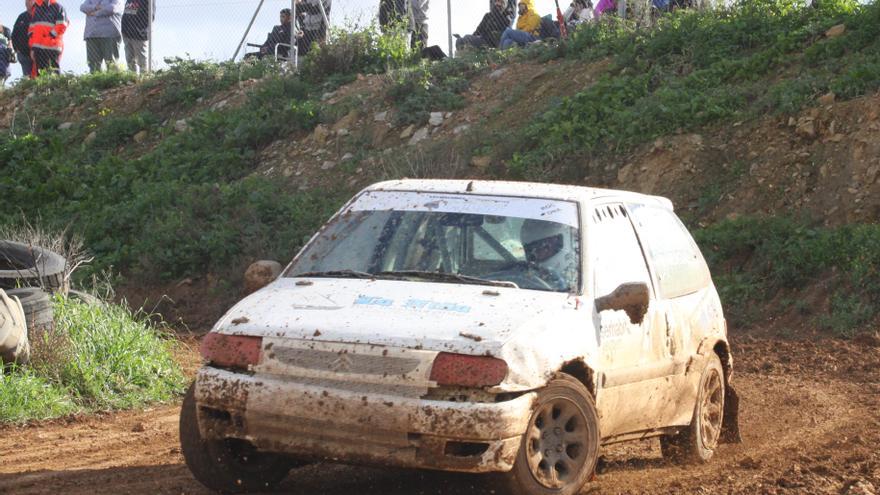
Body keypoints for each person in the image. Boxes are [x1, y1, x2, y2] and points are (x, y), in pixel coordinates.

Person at [520, 219, 576, 291]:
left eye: (542, 246)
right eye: (529, 248)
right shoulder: (518, 270)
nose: (534, 253)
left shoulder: (572, 280)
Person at [80, 0, 124, 73]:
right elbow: (83, 7)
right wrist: (96, 7)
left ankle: (113, 83)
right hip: (91, 34)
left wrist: (95, 13)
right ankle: (97, 82)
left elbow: (112, 9)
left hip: (109, 34)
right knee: (93, 65)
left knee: (111, 64)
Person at [29, 0, 68, 77]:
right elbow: (32, 29)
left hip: (52, 46)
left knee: (54, 71)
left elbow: (62, 25)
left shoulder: (58, 7)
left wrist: (50, 36)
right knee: (40, 74)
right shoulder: (36, 8)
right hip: (38, 47)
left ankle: (56, 88)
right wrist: (33, 47)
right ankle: (43, 89)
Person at [121, 0, 151, 74]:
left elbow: (150, 15)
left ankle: (144, 78)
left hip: (139, 34)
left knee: (141, 59)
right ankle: (132, 78)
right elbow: (126, 14)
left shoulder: (148, 1)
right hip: (127, 33)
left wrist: (140, 28)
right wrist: (123, 29)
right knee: (129, 58)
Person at [11, 0, 34, 79]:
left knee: (38, 77)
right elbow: (14, 34)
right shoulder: (21, 17)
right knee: (27, 77)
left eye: (29, 1)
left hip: (38, 53)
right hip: (23, 54)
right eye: (26, 2)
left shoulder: (40, 16)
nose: (27, 3)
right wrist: (16, 49)